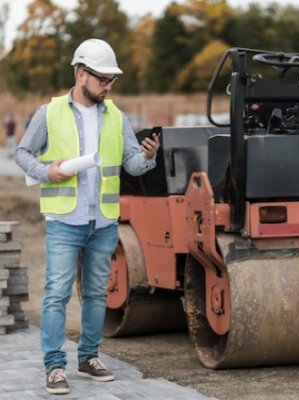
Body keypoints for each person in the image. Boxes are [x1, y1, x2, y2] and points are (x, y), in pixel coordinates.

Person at [15, 38, 160, 395]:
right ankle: (54, 366)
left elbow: (132, 165)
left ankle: (89, 357)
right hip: (65, 220)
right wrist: (48, 172)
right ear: (81, 74)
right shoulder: (49, 113)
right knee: (56, 294)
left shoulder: (117, 117)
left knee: (96, 293)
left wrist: (148, 156)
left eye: (112, 80)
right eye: (103, 79)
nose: (109, 87)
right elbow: (22, 153)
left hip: (104, 221)